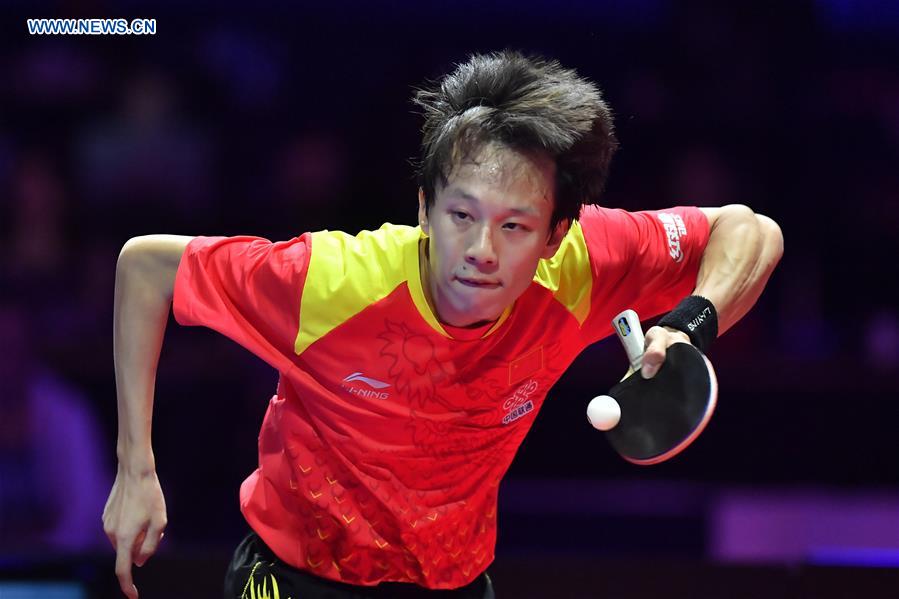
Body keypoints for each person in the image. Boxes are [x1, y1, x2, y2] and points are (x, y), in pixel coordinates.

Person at [102, 50, 784, 598]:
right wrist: (136, 467)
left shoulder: (579, 267)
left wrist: (691, 323)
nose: (482, 250)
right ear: (424, 209)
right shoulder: (332, 283)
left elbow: (750, 230)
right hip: (293, 575)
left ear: (554, 235)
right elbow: (145, 268)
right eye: (461, 215)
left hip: (453, 580)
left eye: (514, 226)